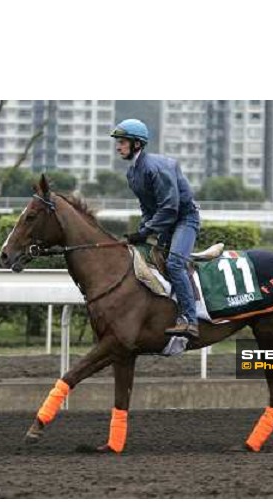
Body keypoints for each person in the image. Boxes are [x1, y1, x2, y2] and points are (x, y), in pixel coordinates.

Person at [110, 118, 201, 339]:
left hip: (184, 220)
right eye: (118, 142)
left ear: (137, 144)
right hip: (166, 223)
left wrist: (144, 231)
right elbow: (147, 208)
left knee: (175, 263)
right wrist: (142, 230)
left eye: (122, 142)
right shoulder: (132, 173)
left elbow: (170, 208)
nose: (118, 146)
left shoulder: (155, 168)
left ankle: (191, 320)